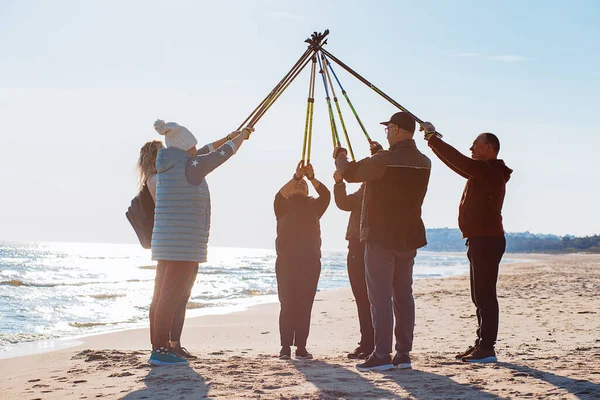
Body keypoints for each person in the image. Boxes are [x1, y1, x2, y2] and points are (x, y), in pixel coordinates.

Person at [148, 119, 253, 366]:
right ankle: (160, 350)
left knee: (162, 296)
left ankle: (160, 347)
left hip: (169, 244)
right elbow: (220, 155)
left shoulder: (173, 164)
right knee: (169, 298)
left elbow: (208, 150)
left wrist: (231, 135)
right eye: (192, 146)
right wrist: (240, 139)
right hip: (181, 245)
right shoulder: (190, 167)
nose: (197, 149)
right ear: (185, 148)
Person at [334, 112, 431, 371]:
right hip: (408, 236)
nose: (386, 132)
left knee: (380, 297)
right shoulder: (424, 162)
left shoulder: (385, 159)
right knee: (403, 295)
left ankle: (381, 355)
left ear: (398, 130)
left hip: (381, 235)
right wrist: (378, 154)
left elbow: (352, 173)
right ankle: (403, 354)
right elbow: (392, 178)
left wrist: (339, 157)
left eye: (388, 128)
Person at [421, 122, 512, 363]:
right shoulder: (485, 170)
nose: (471, 148)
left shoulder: (490, 170)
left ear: (489, 148)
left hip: (487, 240)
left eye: (475, 145)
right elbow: (458, 162)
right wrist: (433, 139)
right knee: (479, 296)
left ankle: (487, 348)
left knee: (484, 296)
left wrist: (432, 139)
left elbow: (459, 161)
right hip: (481, 239)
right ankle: (482, 343)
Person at [274, 162, 330, 360]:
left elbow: (326, 196)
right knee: (287, 304)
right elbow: (279, 195)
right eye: (297, 185)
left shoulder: (314, 205)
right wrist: (297, 177)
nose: (300, 186)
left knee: (305, 305)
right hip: (286, 262)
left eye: (303, 186)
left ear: (308, 192)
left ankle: (302, 347)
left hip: (310, 261)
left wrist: (312, 177)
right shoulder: (282, 206)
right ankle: (285, 348)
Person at [332, 170, 374, 360]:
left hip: (363, 246)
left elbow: (345, 204)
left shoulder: (370, 189)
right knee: (364, 298)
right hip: (358, 246)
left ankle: (370, 343)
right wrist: (339, 182)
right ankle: (367, 341)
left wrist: (341, 181)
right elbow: (344, 203)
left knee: (367, 298)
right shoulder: (364, 189)